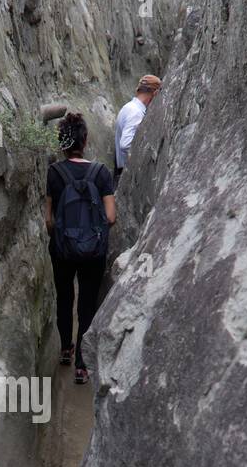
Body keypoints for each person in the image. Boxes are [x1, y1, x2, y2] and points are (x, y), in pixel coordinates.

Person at [44, 112, 116, 385]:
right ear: (85, 140)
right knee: (87, 302)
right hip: (93, 251)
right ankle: (82, 366)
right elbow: (110, 216)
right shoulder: (101, 173)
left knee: (65, 297)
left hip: (62, 249)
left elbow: (48, 219)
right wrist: (92, 234)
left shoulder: (54, 172)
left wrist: (62, 237)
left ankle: (65, 348)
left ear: (62, 143)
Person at [113, 74, 162, 177]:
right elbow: (125, 144)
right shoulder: (136, 113)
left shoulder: (129, 107)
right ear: (156, 93)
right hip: (127, 172)